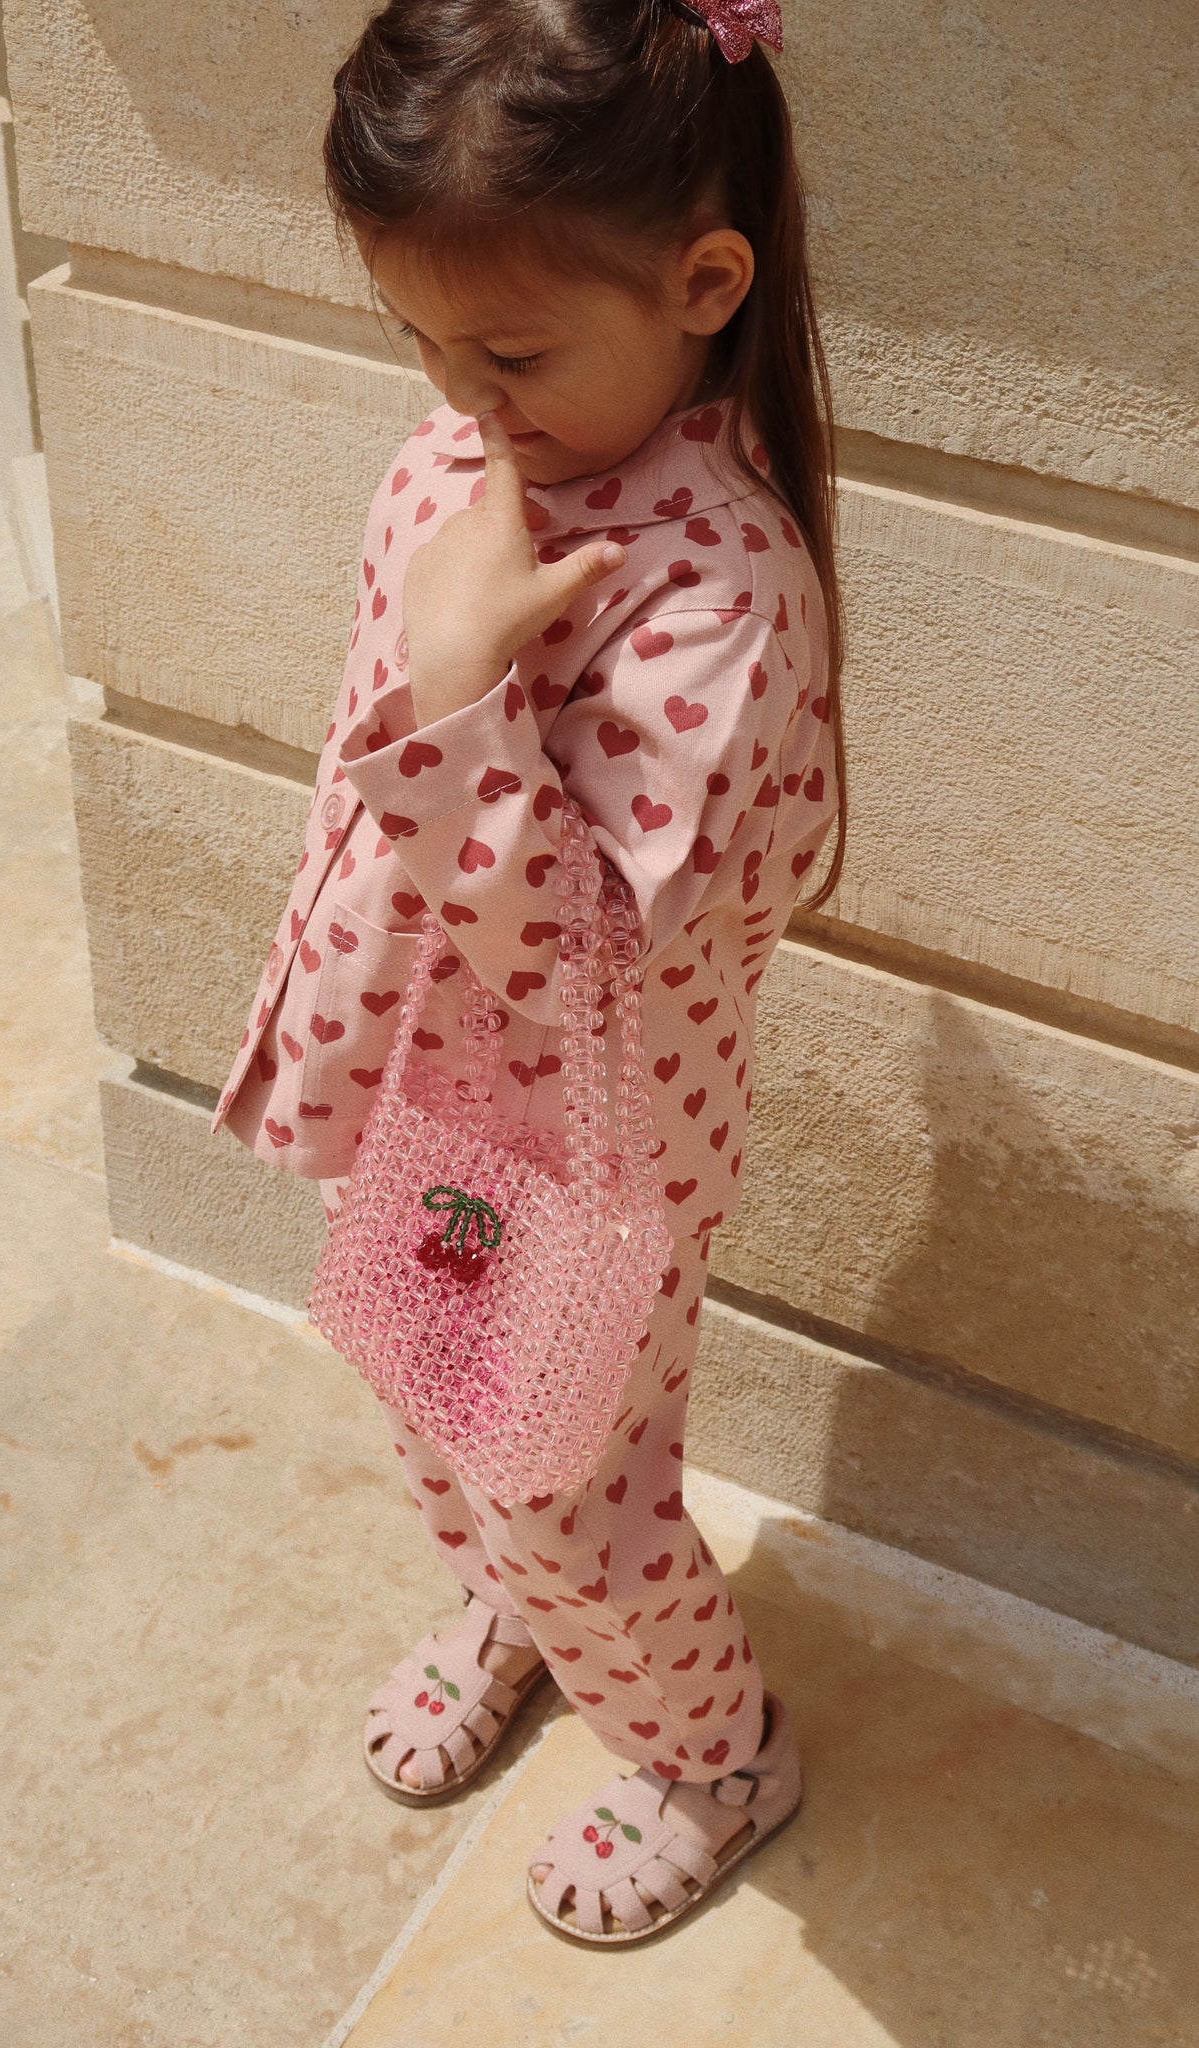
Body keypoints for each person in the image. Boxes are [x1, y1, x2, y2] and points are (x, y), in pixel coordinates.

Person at [211, 0, 846, 1946]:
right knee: (431, 1397)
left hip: (590, 1148)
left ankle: (712, 1750)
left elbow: (584, 943)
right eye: (417, 340)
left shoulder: (718, 590)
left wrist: (459, 679)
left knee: (571, 1480)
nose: (458, 399)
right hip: (424, 1089)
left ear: (701, 286)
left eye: (505, 352)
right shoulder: (464, 455)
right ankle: (513, 1598)